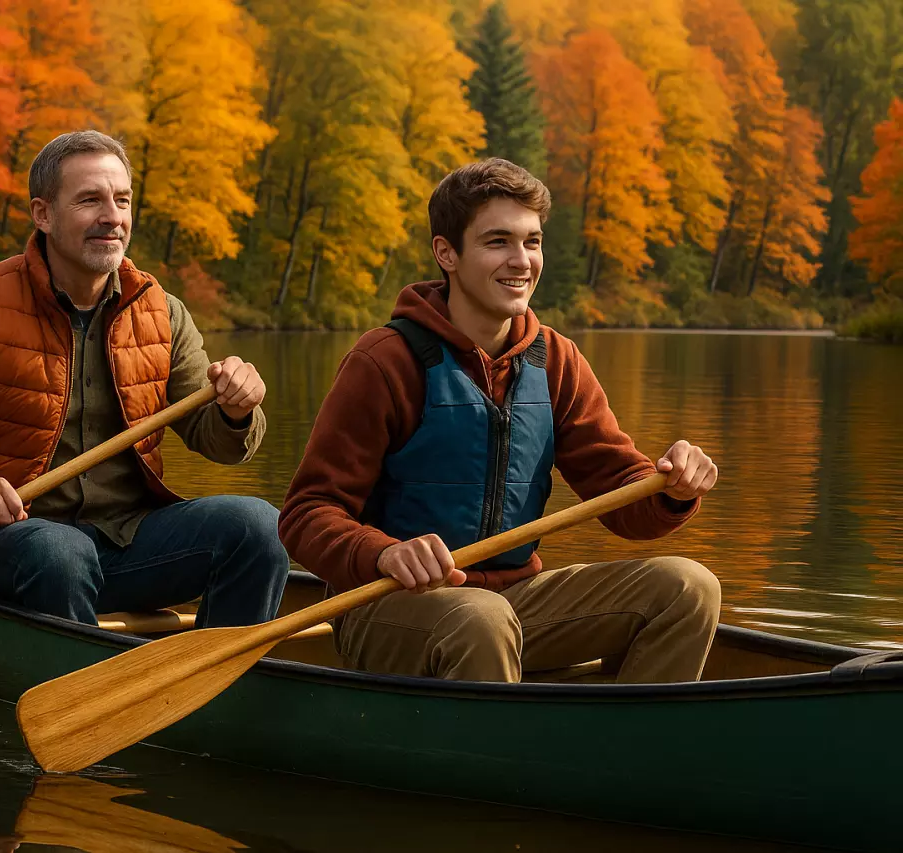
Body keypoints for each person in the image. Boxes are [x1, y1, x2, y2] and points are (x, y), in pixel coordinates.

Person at [278, 158, 721, 683]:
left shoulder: (556, 359)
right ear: (447, 253)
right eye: (498, 242)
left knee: (688, 586)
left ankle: (628, 753)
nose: (522, 261)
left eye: (532, 242)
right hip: (389, 607)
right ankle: (492, 760)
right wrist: (384, 553)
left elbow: (624, 497)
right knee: (479, 617)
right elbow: (306, 515)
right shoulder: (385, 361)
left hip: (516, 603)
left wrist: (672, 487)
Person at [0, 130, 288, 628]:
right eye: (90, 200)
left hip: (130, 542)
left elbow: (219, 444)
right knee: (61, 552)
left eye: (122, 200)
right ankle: (79, 695)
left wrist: (237, 409)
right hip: (5, 543)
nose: (112, 216)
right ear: (43, 215)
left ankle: (214, 685)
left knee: (260, 527)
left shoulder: (163, 312)